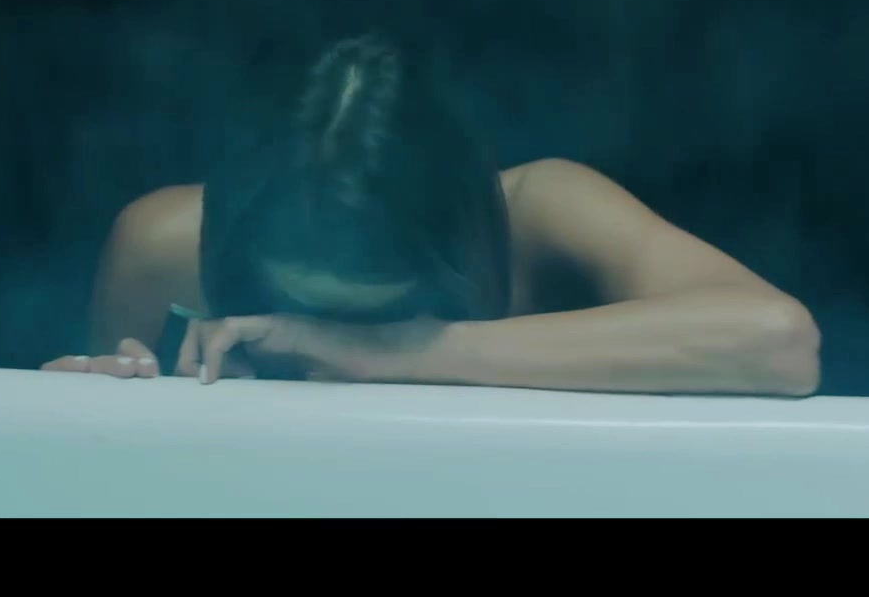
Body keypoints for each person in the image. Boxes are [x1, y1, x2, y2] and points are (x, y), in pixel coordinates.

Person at [42, 35, 820, 395]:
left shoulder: (543, 212)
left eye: (384, 313)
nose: (324, 334)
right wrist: (97, 404)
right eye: (292, 306)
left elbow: (778, 341)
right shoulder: (162, 246)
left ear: (465, 243)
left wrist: (399, 352)